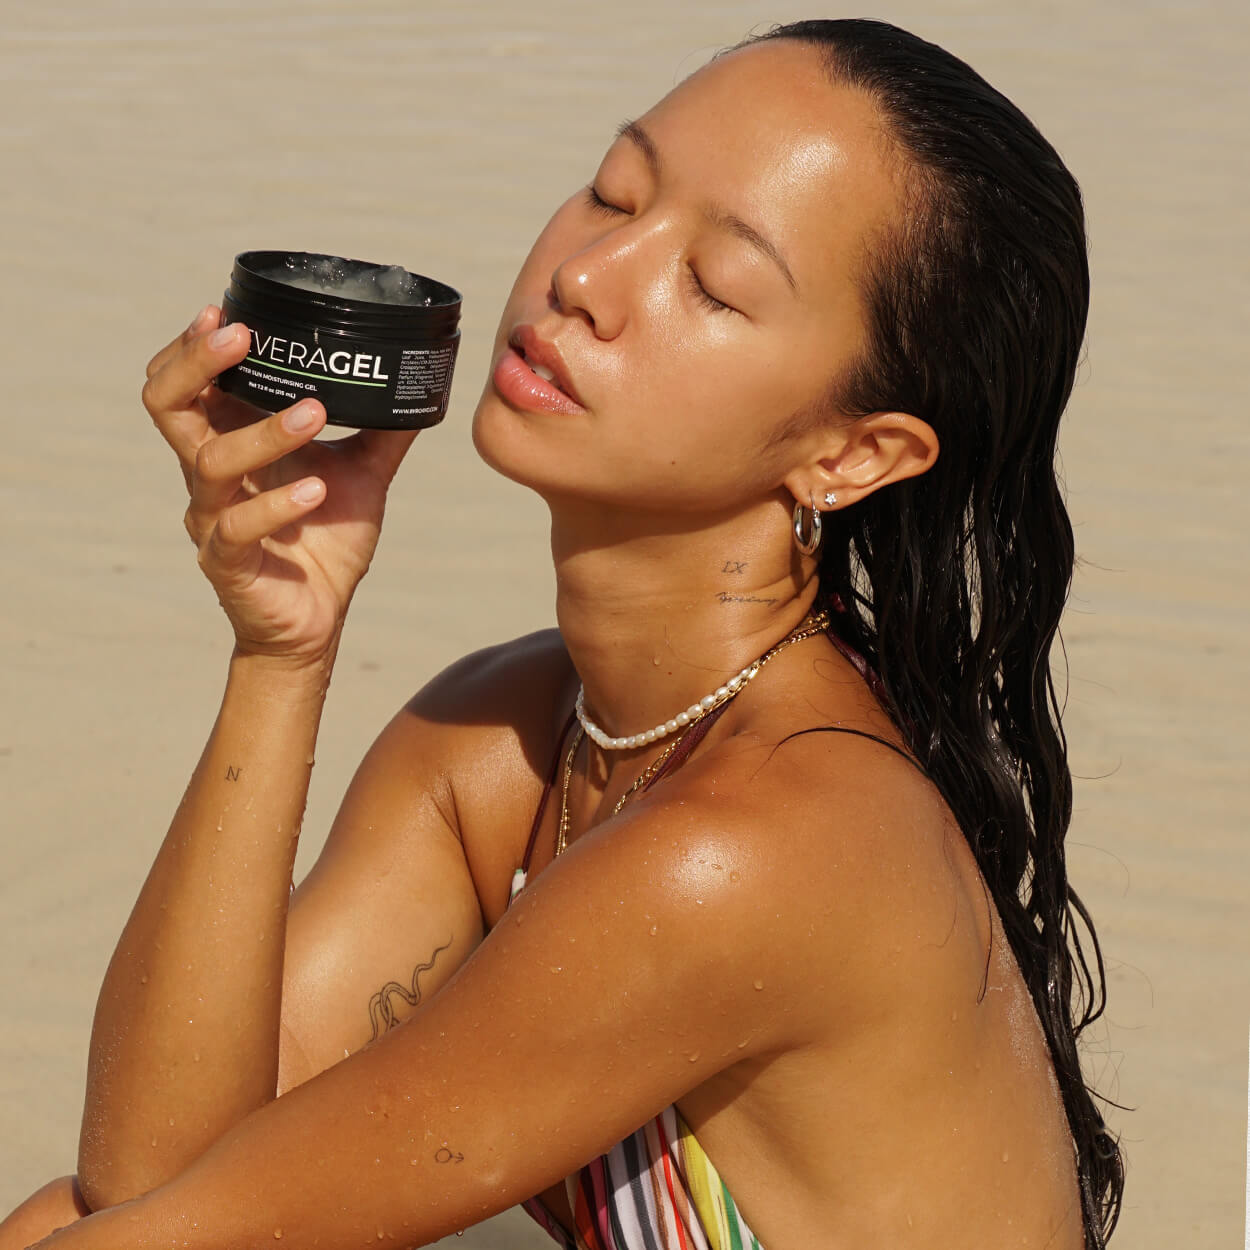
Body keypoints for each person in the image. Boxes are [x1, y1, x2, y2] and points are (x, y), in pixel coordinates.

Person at [0, 18, 1124, 1250]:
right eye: (613, 188)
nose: (586, 277)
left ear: (851, 454)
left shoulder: (757, 846)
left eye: (713, 285)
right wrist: (280, 653)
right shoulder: (511, 743)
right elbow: (147, 1169)